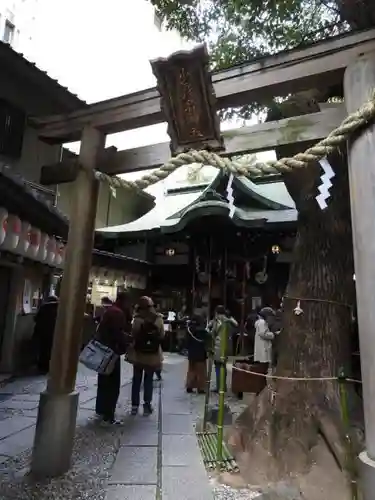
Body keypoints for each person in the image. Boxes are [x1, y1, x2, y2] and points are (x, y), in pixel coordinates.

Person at [95, 291, 132, 425]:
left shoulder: (111, 311)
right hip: (111, 352)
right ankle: (108, 414)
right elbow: (118, 334)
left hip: (104, 350)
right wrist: (126, 343)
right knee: (112, 384)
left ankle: (101, 409)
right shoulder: (118, 313)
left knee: (103, 382)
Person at [128, 296, 164, 416]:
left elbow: (133, 335)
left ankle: (134, 406)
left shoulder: (137, 319)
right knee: (148, 380)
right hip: (152, 355)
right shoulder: (158, 319)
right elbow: (162, 335)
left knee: (136, 380)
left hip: (138, 354)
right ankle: (147, 405)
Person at [209, 305, 238, 392]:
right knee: (223, 367)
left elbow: (213, 332)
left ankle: (220, 387)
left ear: (217, 313)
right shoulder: (230, 321)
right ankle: (223, 386)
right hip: (228, 346)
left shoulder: (218, 321)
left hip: (219, 346)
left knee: (218, 367)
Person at [33, 295, 59, 374]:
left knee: (43, 349)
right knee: (51, 349)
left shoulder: (44, 307)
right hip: (54, 332)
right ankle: (49, 366)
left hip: (43, 332)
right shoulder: (59, 308)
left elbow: (36, 319)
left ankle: (42, 366)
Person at [185, 313, 209, 394]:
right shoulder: (203, 331)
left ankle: (189, 386)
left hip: (191, 353)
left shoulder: (189, 329)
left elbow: (186, 342)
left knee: (191, 370)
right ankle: (200, 388)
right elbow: (207, 342)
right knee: (201, 372)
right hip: (201, 353)